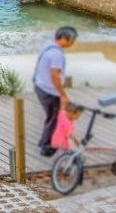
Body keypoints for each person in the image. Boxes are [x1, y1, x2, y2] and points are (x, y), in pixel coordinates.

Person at [34, 25, 77, 157]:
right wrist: (63, 95)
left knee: (50, 117)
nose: (72, 43)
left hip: (40, 86)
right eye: (72, 40)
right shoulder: (57, 54)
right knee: (53, 118)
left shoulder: (47, 46)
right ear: (64, 38)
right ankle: (46, 147)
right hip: (50, 91)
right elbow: (55, 76)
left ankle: (42, 141)